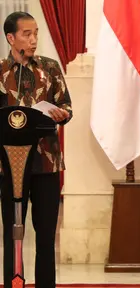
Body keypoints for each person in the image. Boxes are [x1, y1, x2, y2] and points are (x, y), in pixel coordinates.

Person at [0, 12, 72, 288]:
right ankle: (12, 283)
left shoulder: (50, 68)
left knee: (45, 237)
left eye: (36, 34)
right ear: (11, 38)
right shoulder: (1, 71)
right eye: (26, 34)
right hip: (9, 165)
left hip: (46, 163)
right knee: (11, 233)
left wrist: (59, 114)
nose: (33, 40)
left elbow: (66, 106)